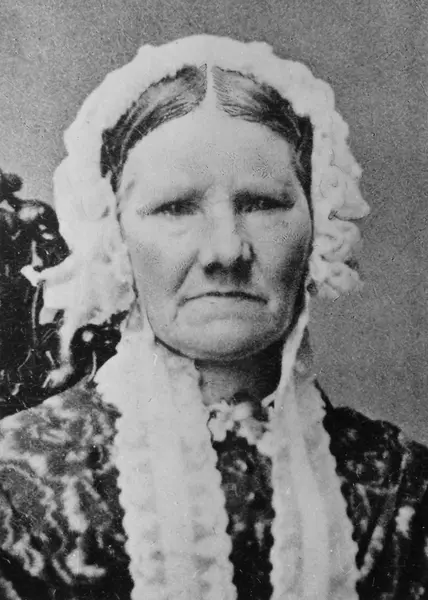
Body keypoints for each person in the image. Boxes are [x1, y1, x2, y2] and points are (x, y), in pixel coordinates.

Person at [0, 34, 427, 600]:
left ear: (320, 223)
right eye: (175, 208)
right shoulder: (16, 486)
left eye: (262, 203)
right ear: (114, 237)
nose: (226, 251)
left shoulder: (404, 487)